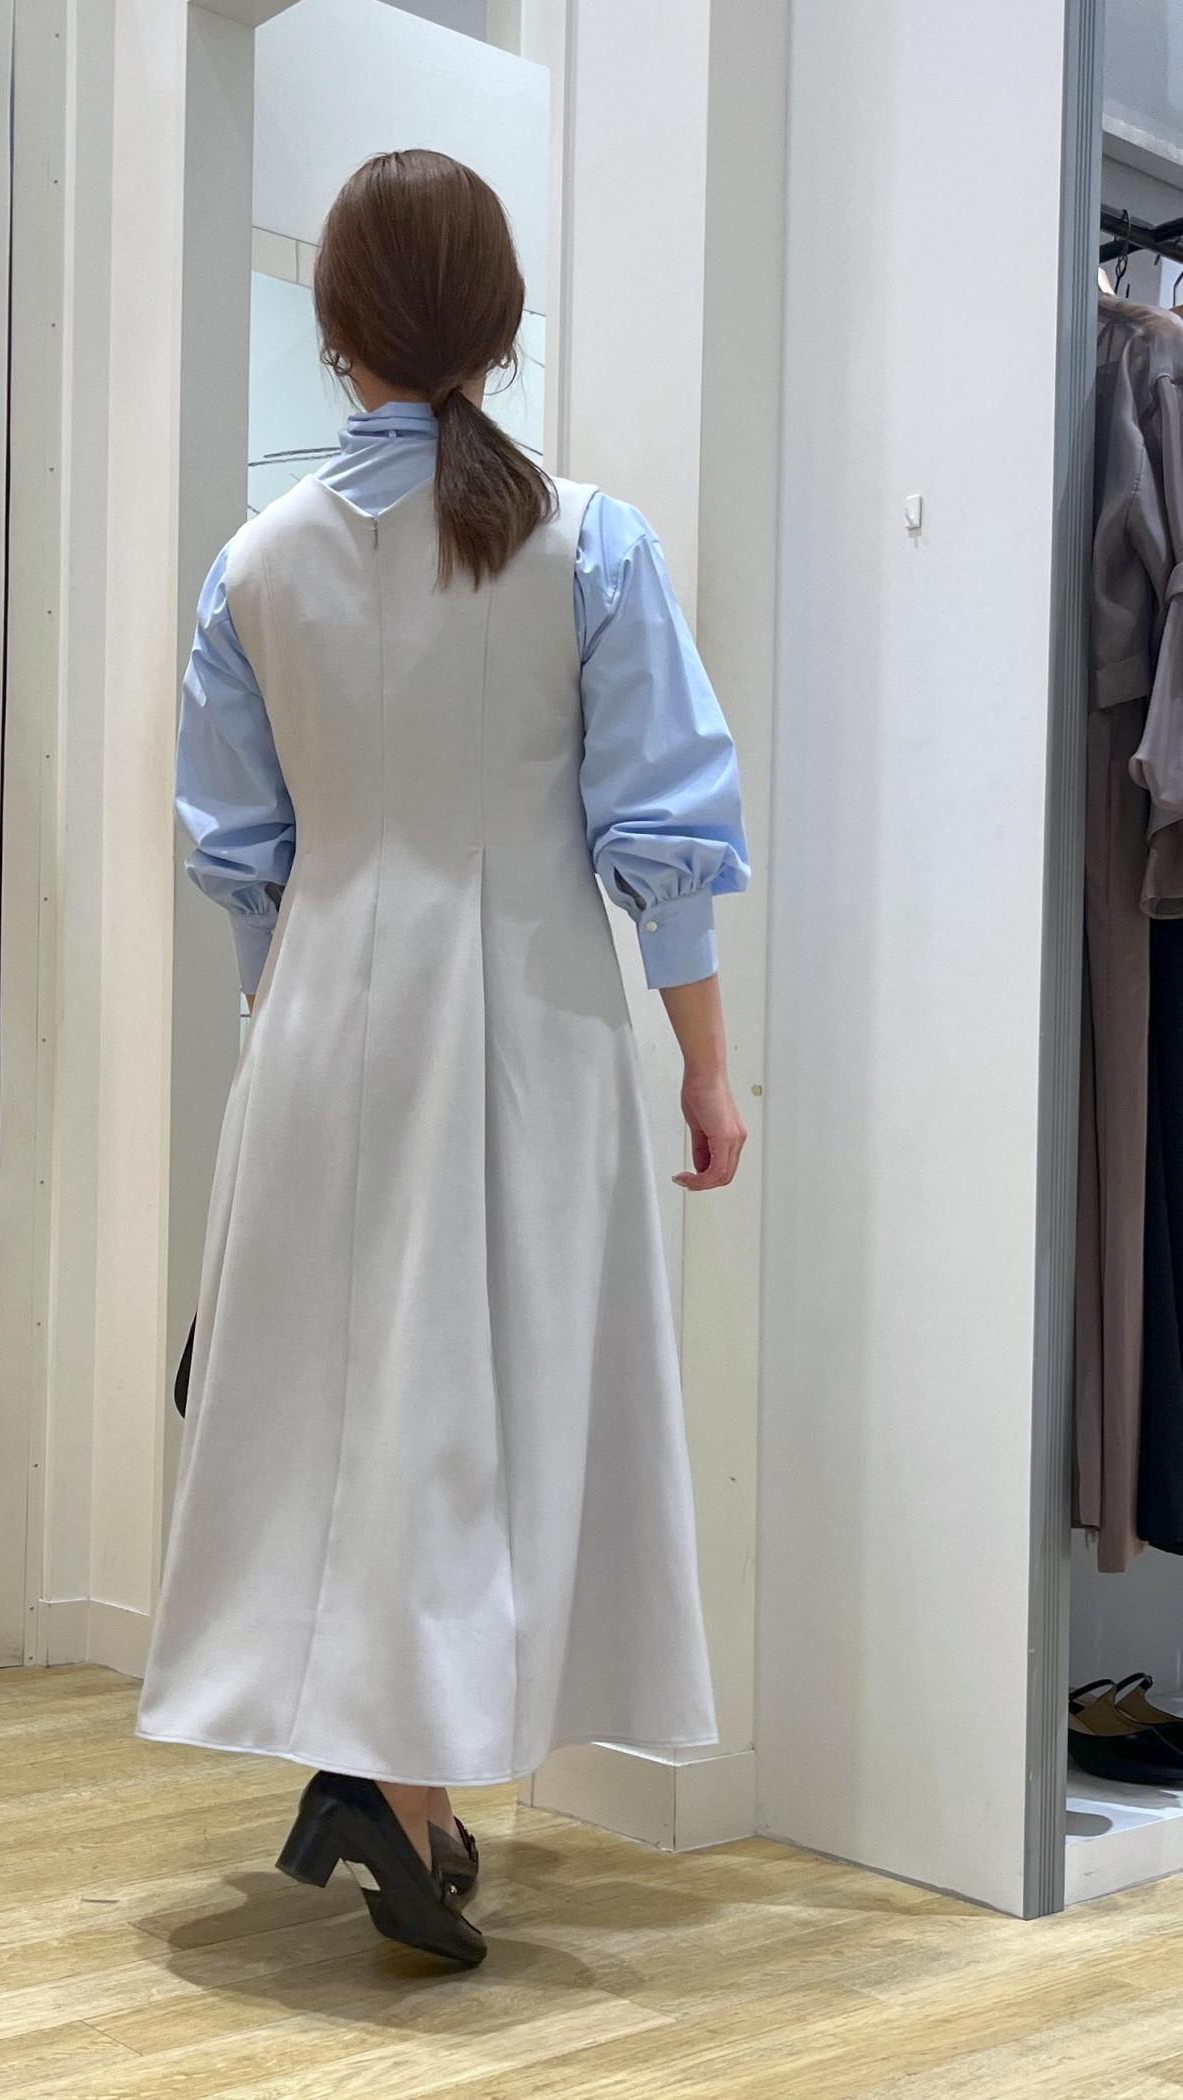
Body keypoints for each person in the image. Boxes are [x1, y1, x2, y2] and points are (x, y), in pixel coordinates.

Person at [137, 148, 749, 1969]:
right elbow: (663, 835)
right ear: (502, 318)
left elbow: (239, 861)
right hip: (530, 1022)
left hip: (319, 1021)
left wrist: (279, 1037)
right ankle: (399, 1783)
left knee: (348, 1399)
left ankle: (391, 1776)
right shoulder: (590, 544)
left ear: (334, 325)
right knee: (489, 1404)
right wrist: (708, 1067)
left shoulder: (253, 567)